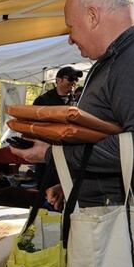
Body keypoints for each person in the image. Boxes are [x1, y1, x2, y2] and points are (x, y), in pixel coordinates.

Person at [11, 0, 134, 267]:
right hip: (102, 225)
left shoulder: (131, 61)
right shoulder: (116, 59)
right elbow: (108, 139)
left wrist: (53, 153)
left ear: (94, 15)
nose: (70, 37)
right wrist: (70, 185)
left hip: (115, 241)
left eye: (72, 25)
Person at [32, 66, 83, 203]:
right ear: (58, 80)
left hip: (70, 156)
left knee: (67, 195)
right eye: (70, 78)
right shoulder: (42, 101)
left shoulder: (78, 101)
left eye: (76, 79)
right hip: (48, 156)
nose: (74, 82)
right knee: (46, 197)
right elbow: (33, 128)